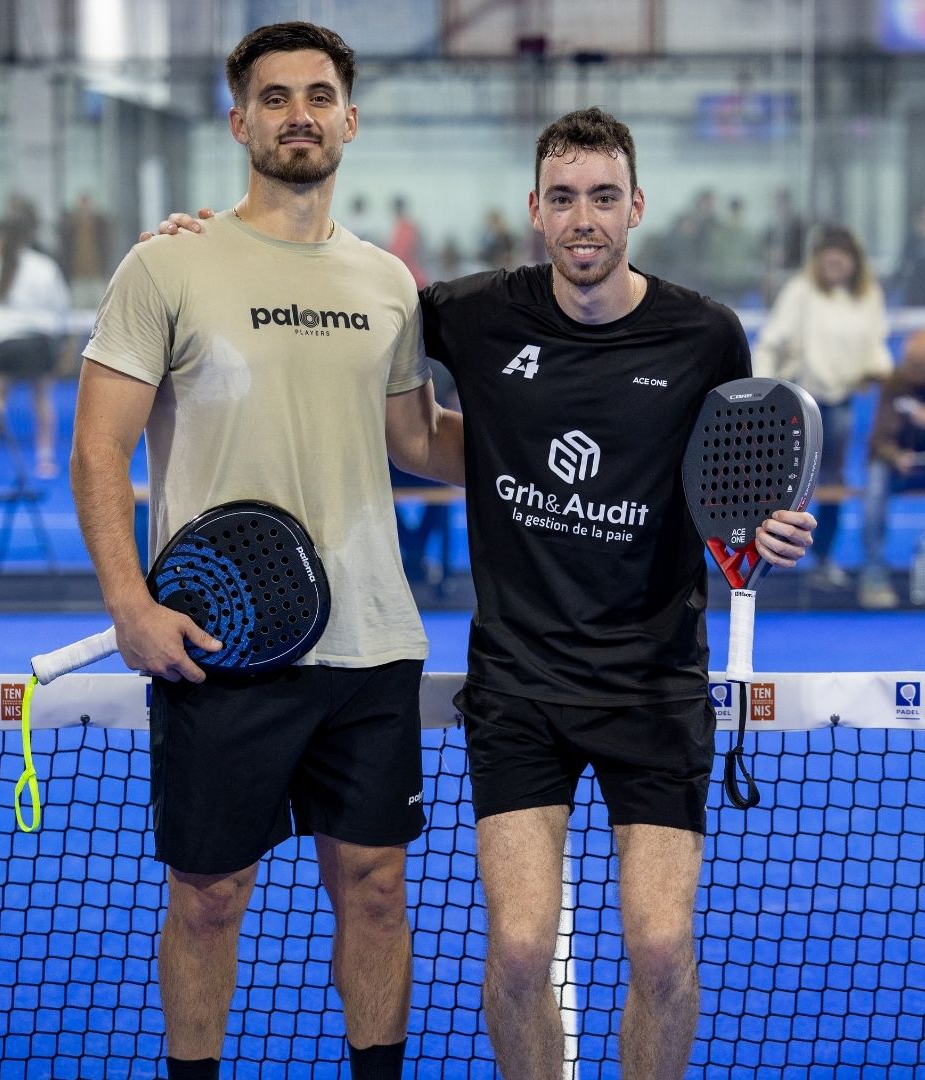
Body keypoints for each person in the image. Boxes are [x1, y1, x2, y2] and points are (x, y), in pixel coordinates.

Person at [151, 106, 816, 1080]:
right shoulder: (471, 311)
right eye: (562, 199)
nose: (582, 218)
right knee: (515, 950)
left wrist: (761, 530)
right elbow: (336, 303)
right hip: (519, 692)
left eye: (601, 197)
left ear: (636, 206)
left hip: (656, 687)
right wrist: (193, 252)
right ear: (535, 212)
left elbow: (730, 478)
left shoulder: (706, 333)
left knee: (664, 948)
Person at [79, 23, 463, 1079]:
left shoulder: (390, 283)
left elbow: (420, 440)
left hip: (373, 641)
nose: (300, 113)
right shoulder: (166, 263)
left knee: (376, 885)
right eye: (276, 96)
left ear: (350, 118)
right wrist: (129, 603)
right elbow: (99, 447)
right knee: (208, 899)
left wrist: (569, 453)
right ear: (239, 119)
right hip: (222, 642)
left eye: (320, 95)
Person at [753, 223, 893, 588]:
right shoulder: (800, 293)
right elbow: (771, 342)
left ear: (852, 263)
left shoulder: (866, 296)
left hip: (841, 404)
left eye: (841, 262)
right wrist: (762, 390)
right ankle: (765, 561)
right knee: (780, 484)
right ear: (818, 262)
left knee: (832, 483)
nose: (835, 267)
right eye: (828, 262)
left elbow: (876, 343)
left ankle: (824, 560)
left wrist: (880, 370)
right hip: (797, 403)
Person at [0, 210, 69, 479]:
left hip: (7, 341)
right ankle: (46, 460)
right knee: (42, 398)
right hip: (40, 340)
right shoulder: (45, 265)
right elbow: (60, 303)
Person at [858, 330, 925, 607]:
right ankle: (874, 574)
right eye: (911, 364)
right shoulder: (894, 384)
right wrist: (896, 456)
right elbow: (878, 440)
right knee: (874, 484)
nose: (914, 371)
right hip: (897, 468)